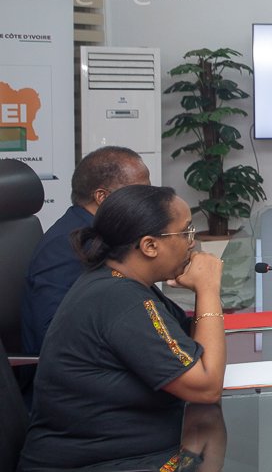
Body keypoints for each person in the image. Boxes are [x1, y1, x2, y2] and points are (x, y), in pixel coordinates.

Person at [18, 185, 226, 471]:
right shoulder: (120, 299)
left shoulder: (120, 281)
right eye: (185, 232)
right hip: (101, 464)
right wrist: (208, 288)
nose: (192, 243)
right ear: (149, 246)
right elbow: (206, 387)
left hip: (139, 453)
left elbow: (191, 345)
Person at [21, 146, 151, 355]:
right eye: (140, 192)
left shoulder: (105, 234)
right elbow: (53, 336)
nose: (148, 200)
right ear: (102, 197)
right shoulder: (65, 246)